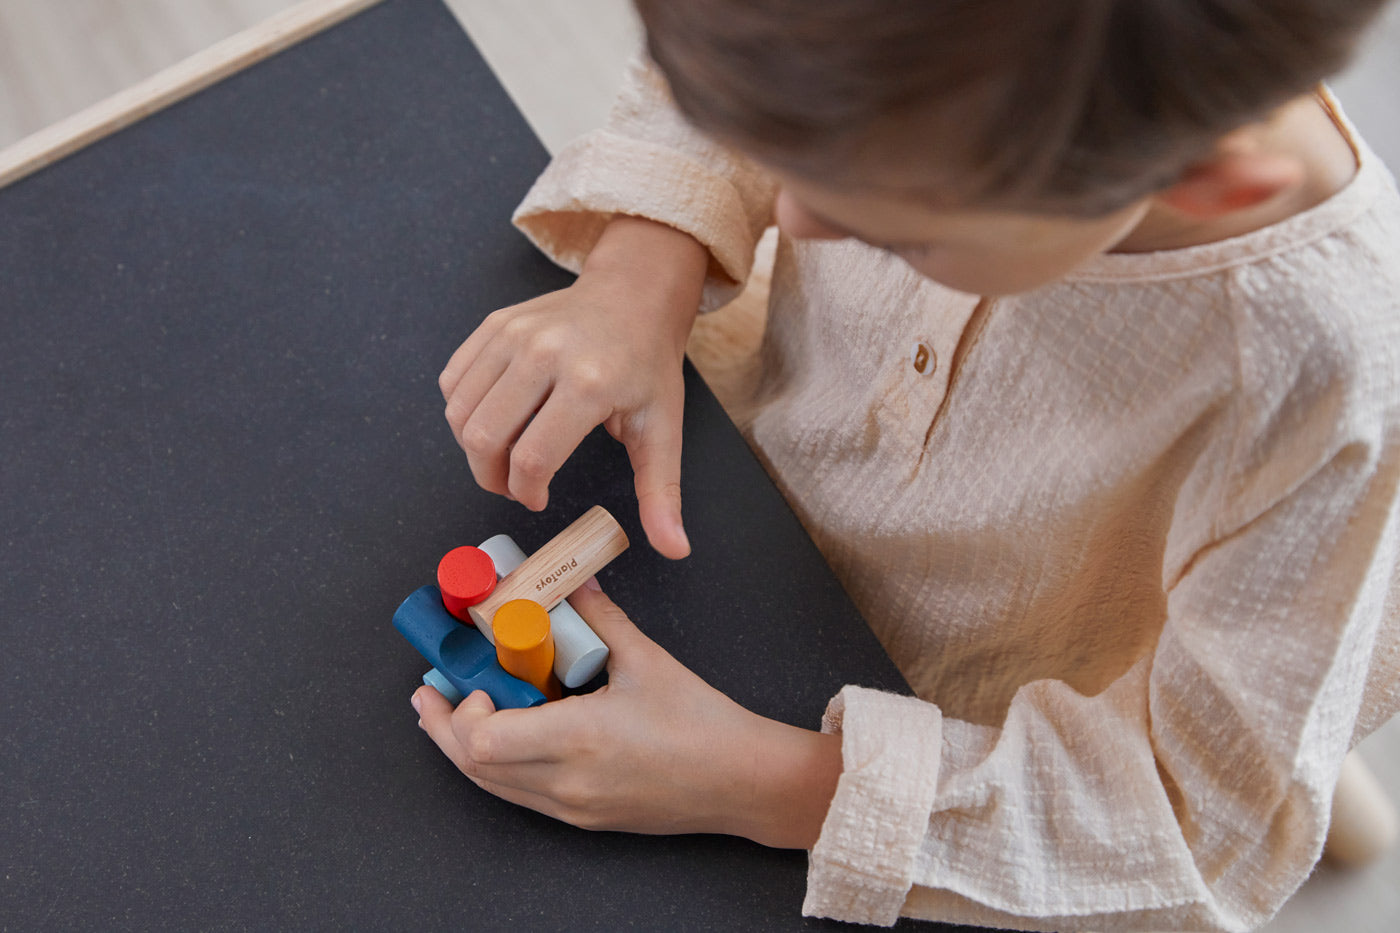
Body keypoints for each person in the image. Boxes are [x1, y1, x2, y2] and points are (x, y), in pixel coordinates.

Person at [413, 1, 1400, 928]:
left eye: (896, 222)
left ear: (1203, 182)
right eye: (784, 150)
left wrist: (755, 786)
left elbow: (1192, 828)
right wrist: (641, 267)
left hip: (948, 708)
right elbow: (748, 64)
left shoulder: (1321, 375)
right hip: (745, 454)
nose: (791, 220)